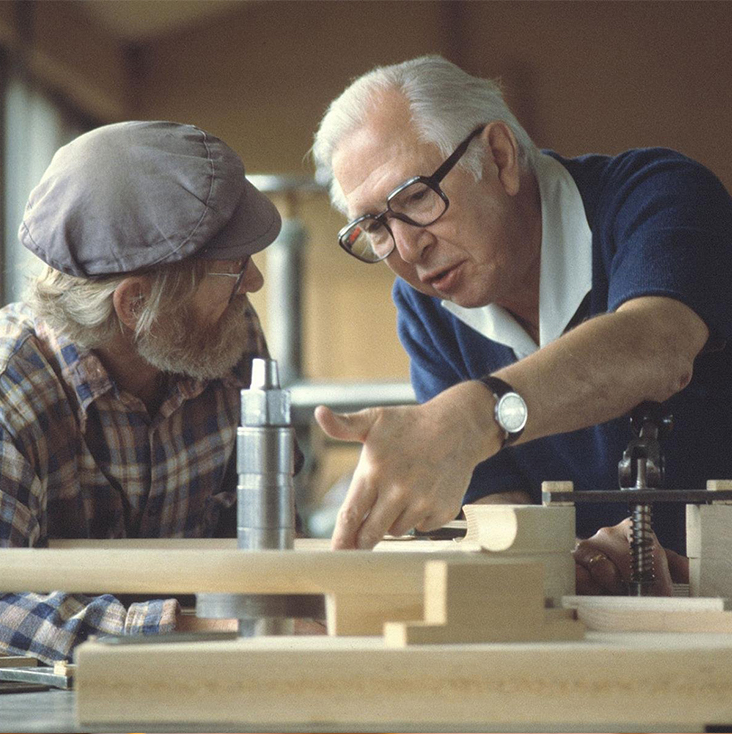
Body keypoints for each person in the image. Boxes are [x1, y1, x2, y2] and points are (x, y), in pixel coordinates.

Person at [312, 56, 732, 595]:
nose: (408, 247)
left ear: (501, 156)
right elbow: (498, 509)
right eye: (374, 226)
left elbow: (656, 347)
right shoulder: (427, 309)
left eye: (416, 197)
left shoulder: (656, 197)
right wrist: (570, 564)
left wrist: (475, 415)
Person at [0, 121, 282, 662]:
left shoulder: (228, 340)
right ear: (135, 306)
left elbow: (268, 536)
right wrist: (190, 629)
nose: (254, 285)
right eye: (234, 268)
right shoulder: (12, 394)